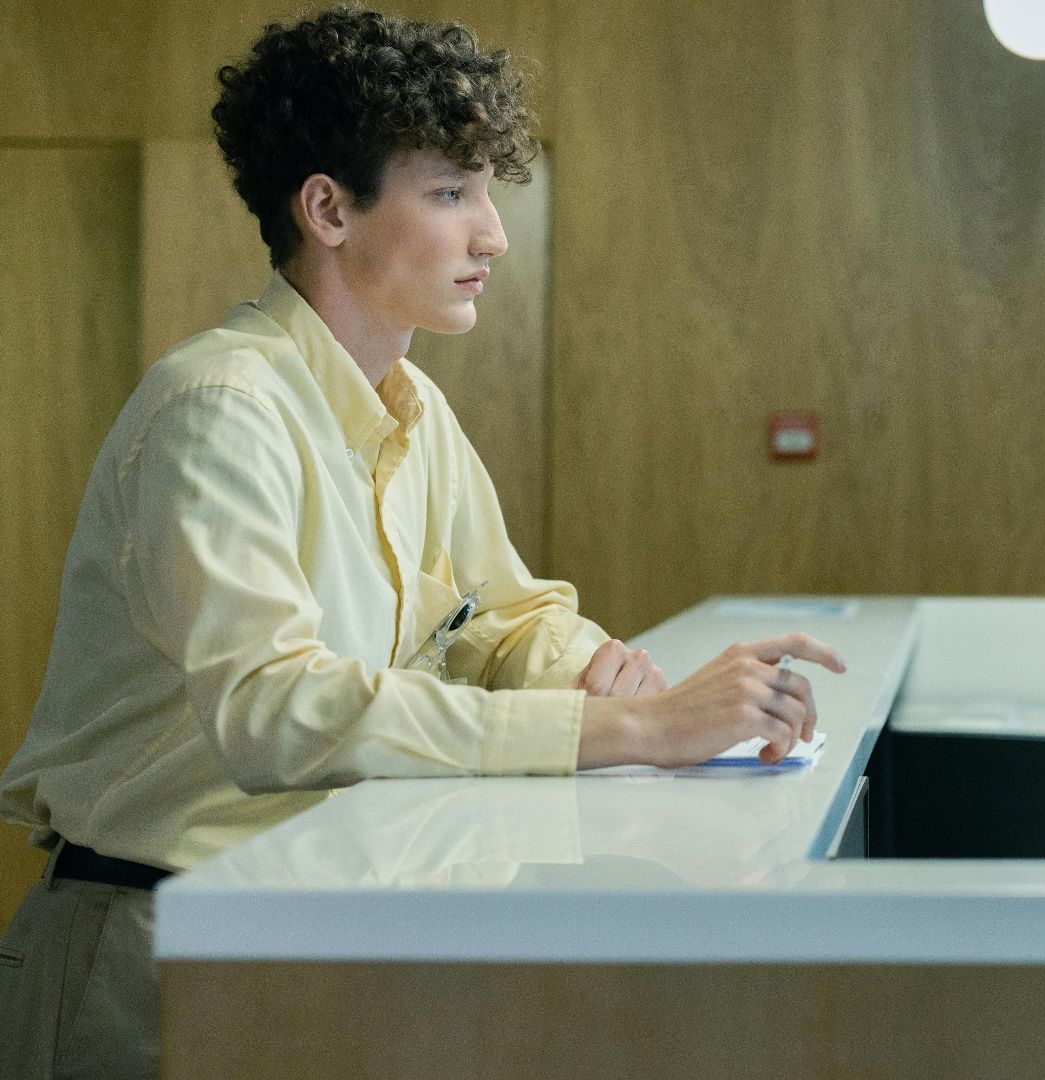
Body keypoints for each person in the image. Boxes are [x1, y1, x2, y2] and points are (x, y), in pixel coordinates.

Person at [0, 7, 842, 1076]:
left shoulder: (409, 407)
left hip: (315, 928)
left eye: (484, 193)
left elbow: (496, 612)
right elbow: (274, 711)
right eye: (451, 194)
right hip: (155, 946)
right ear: (327, 210)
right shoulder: (218, 408)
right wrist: (628, 732)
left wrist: (605, 673)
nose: (491, 233)